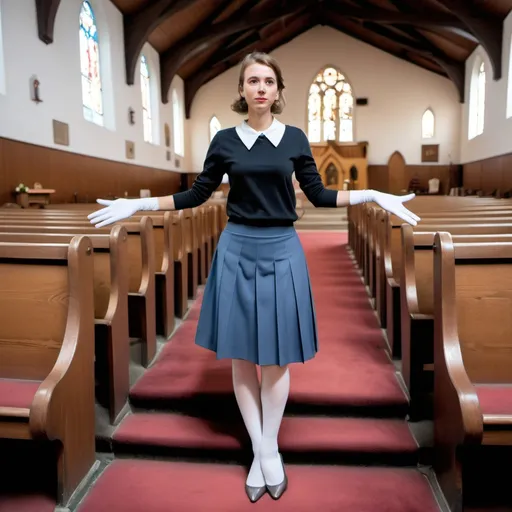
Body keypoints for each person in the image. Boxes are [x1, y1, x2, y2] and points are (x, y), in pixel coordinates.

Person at [88, 51, 420, 503]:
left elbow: (320, 196)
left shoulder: (295, 138)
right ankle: (262, 449)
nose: (260, 88)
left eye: (268, 81)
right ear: (242, 91)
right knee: (243, 355)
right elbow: (197, 194)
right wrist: (138, 206)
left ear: (278, 91)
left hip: (282, 247)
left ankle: (269, 447)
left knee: (277, 354)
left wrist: (376, 195)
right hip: (237, 247)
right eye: (252, 81)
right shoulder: (225, 140)